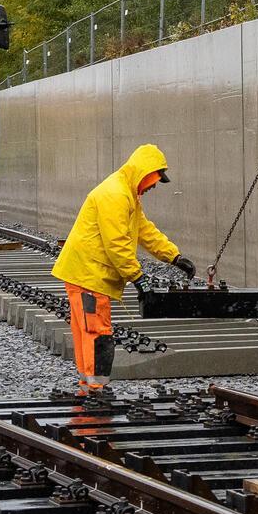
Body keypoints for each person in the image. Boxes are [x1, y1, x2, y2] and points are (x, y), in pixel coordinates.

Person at [51, 143, 196, 394]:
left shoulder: (127, 194)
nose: (153, 186)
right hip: (89, 275)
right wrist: (138, 278)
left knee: (89, 331)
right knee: (97, 332)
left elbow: (145, 231)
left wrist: (174, 256)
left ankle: (90, 387)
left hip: (87, 274)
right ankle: (96, 389)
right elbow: (116, 244)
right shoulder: (115, 194)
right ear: (144, 173)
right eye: (154, 180)